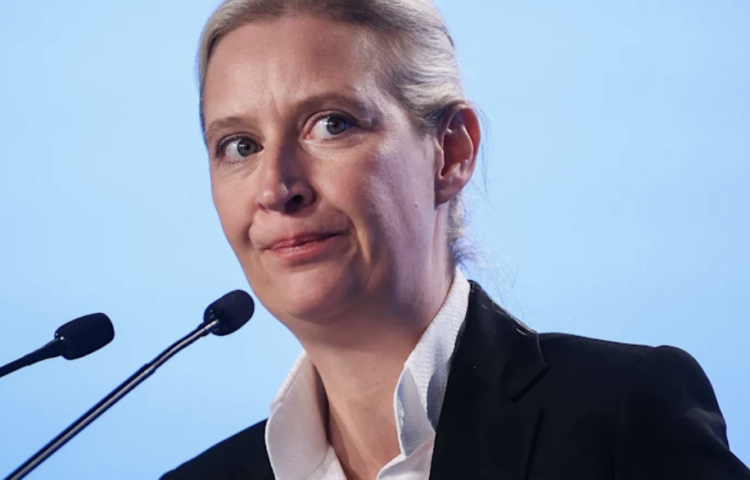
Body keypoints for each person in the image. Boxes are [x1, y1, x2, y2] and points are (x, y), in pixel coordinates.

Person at [162, 0, 750, 479]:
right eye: (240, 145)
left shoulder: (622, 417)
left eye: (332, 124)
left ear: (451, 153)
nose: (276, 188)